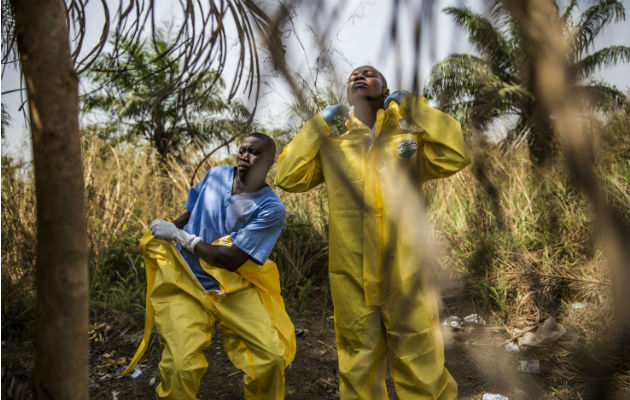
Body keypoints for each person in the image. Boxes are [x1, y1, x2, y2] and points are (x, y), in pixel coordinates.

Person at [275, 66, 471, 399]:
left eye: (370, 73)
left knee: (420, 361)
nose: (359, 76)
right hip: (351, 274)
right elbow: (288, 177)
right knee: (358, 365)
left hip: (407, 273)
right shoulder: (333, 141)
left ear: (386, 88)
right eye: (353, 75)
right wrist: (318, 124)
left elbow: (456, 154)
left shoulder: (408, 135)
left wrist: (414, 108)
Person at [123, 132, 296, 400]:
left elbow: (230, 259)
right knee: (180, 367)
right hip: (185, 283)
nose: (245, 156)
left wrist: (182, 238)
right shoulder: (216, 176)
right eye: (242, 150)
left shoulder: (271, 209)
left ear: (270, 161)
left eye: (254, 152)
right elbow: (191, 212)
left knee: (271, 359)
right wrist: (171, 228)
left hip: (233, 288)